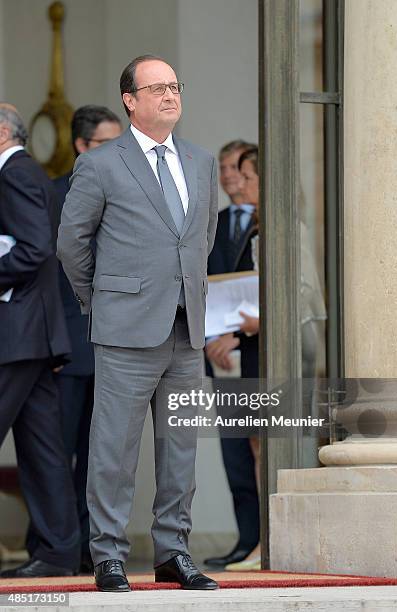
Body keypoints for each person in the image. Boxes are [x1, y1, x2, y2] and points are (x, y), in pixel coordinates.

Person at [57, 55, 219, 592]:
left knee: (180, 450)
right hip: (125, 329)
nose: (170, 96)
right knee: (114, 451)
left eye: (175, 86)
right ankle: (108, 555)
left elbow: (201, 241)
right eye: (157, 88)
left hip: (185, 331)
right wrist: (103, 300)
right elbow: (72, 244)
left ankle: (174, 551)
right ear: (130, 100)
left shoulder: (200, 161)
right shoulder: (102, 163)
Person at [25, 105, 122, 575]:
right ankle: (46, 548)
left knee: (99, 458)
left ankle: (88, 548)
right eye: (109, 143)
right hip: (65, 350)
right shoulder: (51, 193)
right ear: (83, 146)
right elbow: (45, 274)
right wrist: (55, 344)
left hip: (111, 348)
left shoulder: (129, 193)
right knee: (53, 453)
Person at [224, 146, 327, 571]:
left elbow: (303, 294)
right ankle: (267, 542)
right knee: (259, 444)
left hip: (282, 350)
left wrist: (259, 319)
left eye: (248, 178)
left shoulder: (290, 228)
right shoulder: (261, 227)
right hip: (258, 347)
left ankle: (279, 542)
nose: (241, 185)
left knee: (277, 443)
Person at [0, 104, 81, 577]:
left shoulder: (15, 173)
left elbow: (34, 249)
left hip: (17, 333)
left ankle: (57, 552)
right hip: (33, 335)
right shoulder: (26, 173)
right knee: (43, 450)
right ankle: (57, 554)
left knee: (44, 450)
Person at [203, 141, 261, 569]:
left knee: (264, 448)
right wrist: (210, 338)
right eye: (222, 167)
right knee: (235, 453)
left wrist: (237, 338)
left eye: (234, 167)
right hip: (219, 353)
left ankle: (264, 541)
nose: (227, 175)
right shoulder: (213, 223)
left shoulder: (271, 222)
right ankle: (246, 540)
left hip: (257, 350)